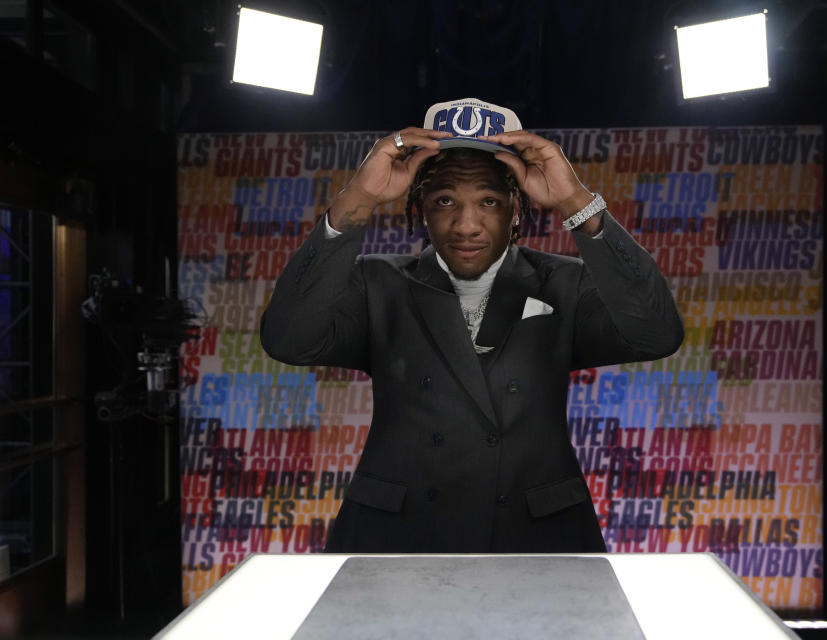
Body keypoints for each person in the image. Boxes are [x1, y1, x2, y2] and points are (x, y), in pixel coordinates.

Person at [260, 98, 684, 553]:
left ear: (516, 208)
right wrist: (357, 201)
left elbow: (656, 334)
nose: (466, 225)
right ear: (420, 207)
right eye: (445, 200)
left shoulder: (566, 282)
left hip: (534, 538)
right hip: (399, 539)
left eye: (488, 201)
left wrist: (575, 201)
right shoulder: (376, 283)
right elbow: (289, 341)